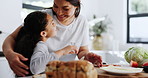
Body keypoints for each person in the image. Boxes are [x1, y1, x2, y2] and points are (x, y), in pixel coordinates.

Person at [2, 0, 102, 77]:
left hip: (64, 74)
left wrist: (87, 56)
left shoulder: (82, 21)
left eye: (65, 9)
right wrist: (9, 54)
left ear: (77, 5)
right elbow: (11, 37)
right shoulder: (44, 17)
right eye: (55, 5)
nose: (59, 12)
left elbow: (82, 51)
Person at [13, 11, 58, 77]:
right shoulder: (40, 46)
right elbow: (35, 69)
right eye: (52, 23)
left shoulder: (31, 44)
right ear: (43, 33)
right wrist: (62, 52)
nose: (55, 25)